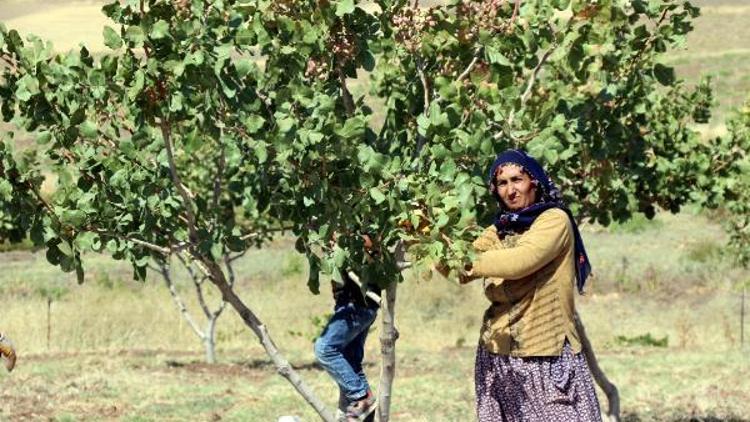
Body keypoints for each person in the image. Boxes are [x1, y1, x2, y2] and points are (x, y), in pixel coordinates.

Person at [459, 149, 601, 422]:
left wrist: (466, 261)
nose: (511, 190)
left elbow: (521, 261)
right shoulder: (499, 228)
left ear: (534, 181)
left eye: (517, 180)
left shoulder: (553, 220)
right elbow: (459, 268)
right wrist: (425, 234)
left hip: (546, 356)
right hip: (497, 354)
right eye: (502, 183)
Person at [314, 253, 380, 422]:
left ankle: (361, 397)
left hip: (358, 304)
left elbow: (369, 246)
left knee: (325, 348)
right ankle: (364, 407)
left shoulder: (360, 232)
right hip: (355, 305)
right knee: (350, 360)